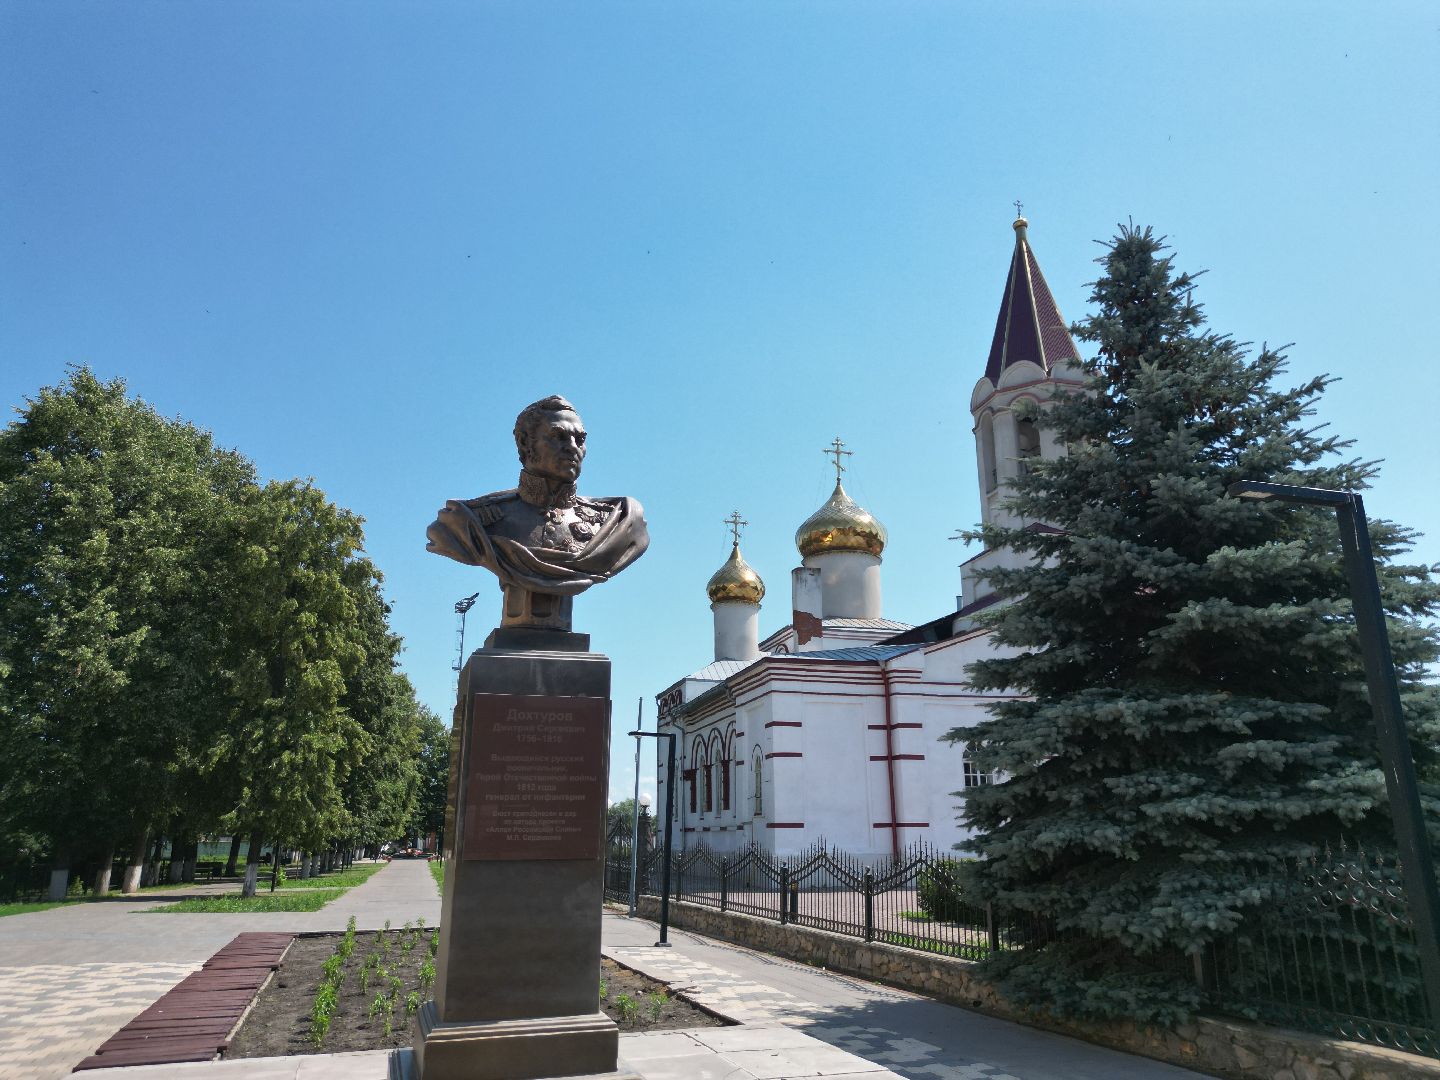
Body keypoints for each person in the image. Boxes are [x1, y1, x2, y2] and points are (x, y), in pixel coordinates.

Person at [425, 395, 649, 629]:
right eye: (558, 436)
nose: (573, 447)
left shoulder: (617, 521)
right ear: (524, 443)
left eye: (580, 439)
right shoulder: (470, 521)